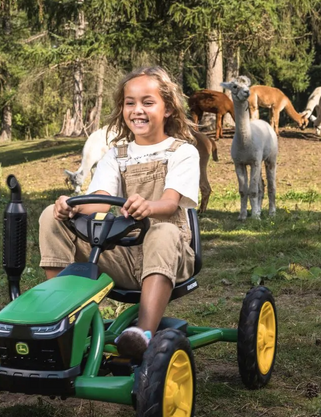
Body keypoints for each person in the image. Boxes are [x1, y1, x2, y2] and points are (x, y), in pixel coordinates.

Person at [39, 65, 200, 361]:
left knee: (163, 228)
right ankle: (61, 319)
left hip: (172, 255)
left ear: (167, 109)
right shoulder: (116, 154)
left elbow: (170, 203)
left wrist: (148, 207)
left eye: (148, 102)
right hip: (123, 254)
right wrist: (71, 206)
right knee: (51, 214)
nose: (137, 110)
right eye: (130, 103)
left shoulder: (182, 152)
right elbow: (99, 200)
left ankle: (142, 333)